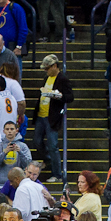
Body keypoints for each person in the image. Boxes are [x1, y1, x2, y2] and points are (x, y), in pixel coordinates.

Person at [33, 55, 74, 184]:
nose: (46, 71)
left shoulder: (62, 79)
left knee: (53, 145)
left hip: (52, 117)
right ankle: (49, 159)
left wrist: (59, 96)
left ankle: (57, 173)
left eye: (47, 68)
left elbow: (70, 97)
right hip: (41, 114)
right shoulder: (47, 78)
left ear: (55, 66)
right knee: (37, 141)